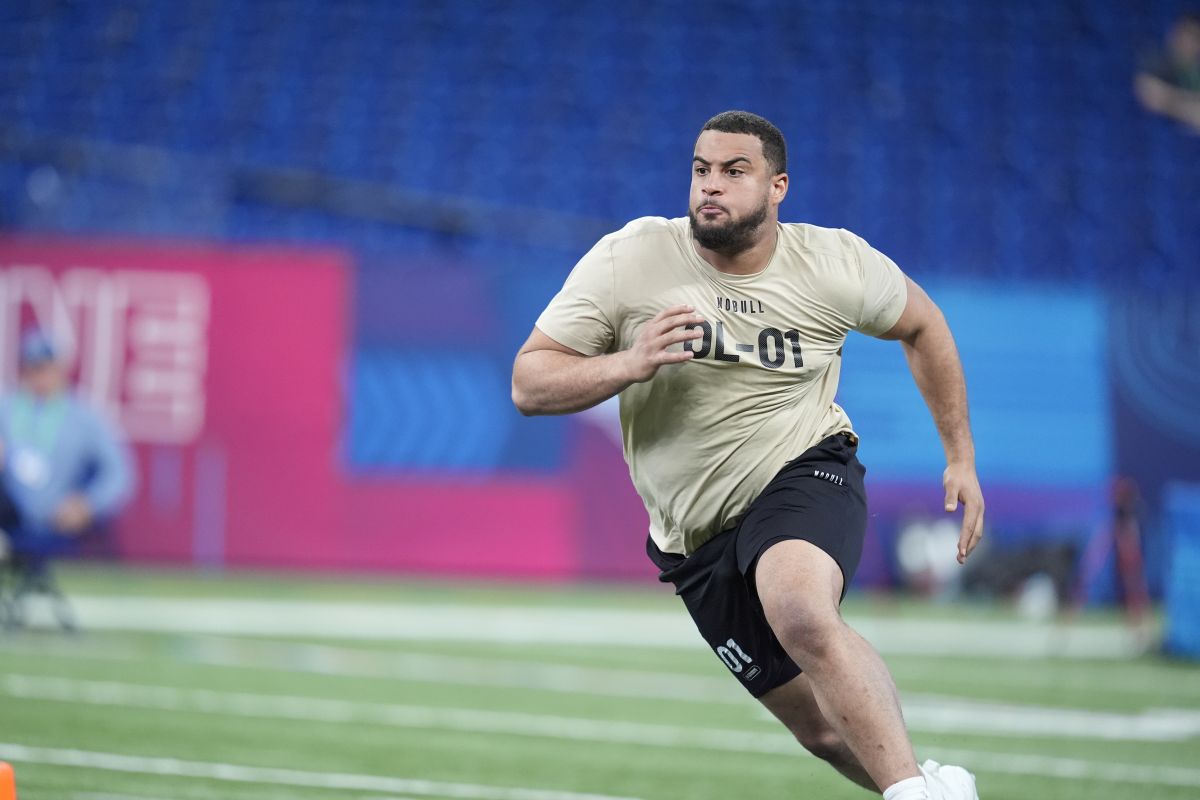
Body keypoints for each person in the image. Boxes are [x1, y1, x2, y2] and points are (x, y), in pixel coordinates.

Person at [512, 111, 985, 800]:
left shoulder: (833, 263)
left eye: (735, 172)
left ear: (777, 188)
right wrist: (629, 362)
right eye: (702, 170)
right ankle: (934, 786)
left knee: (799, 609)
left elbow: (923, 324)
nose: (711, 186)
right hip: (694, 538)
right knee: (821, 733)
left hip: (803, 469)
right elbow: (530, 382)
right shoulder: (632, 257)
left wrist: (960, 456)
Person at [0, 330, 134, 623]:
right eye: (34, 367)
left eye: (46, 367)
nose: (41, 376)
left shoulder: (83, 417)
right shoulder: (6, 408)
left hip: (51, 517)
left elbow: (120, 473)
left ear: (61, 369)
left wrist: (88, 504)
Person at [1135, 12, 1200, 132]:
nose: (1188, 42)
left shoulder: (1195, 72)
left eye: (1195, 37)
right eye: (1184, 34)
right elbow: (1150, 95)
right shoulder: (1156, 62)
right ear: (1172, 35)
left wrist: (1169, 100)